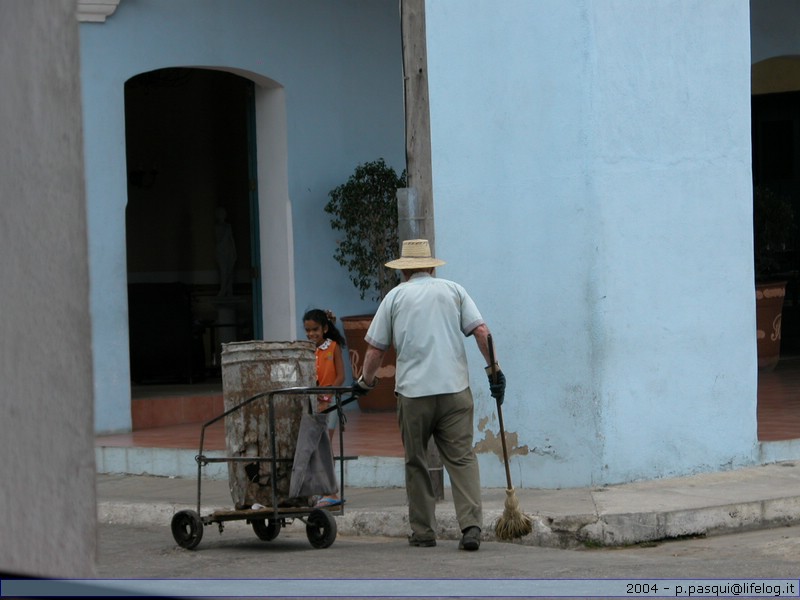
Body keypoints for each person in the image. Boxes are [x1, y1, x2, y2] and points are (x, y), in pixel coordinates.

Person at [352, 239, 506, 552]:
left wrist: (364, 382)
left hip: (413, 393)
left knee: (417, 461)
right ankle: (471, 527)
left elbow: (375, 350)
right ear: (432, 266)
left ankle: (423, 532)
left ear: (404, 271)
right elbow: (482, 333)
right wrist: (495, 371)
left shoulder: (395, 297)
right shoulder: (454, 290)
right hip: (454, 391)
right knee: (462, 458)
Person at [303, 308, 347, 508]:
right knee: (316, 448)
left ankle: (331, 491)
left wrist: (329, 395)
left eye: (315, 330)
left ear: (325, 329)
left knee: (325, 447)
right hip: (314, 402)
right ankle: (321, 490)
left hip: (329, 404)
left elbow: (340, 376)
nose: (311, 334)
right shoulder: (306, 351)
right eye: (308, 330)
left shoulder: (333, 347)